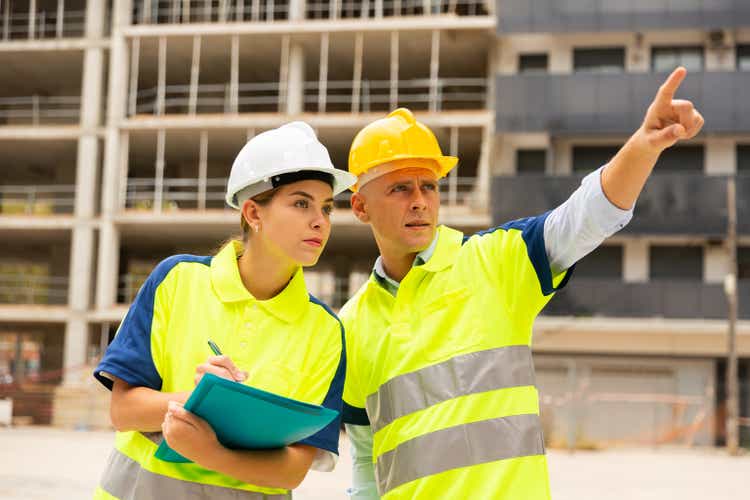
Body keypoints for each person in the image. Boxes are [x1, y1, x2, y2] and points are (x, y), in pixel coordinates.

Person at [341, 67, 704, 499]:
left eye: (429, 186)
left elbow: (586, 217)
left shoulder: (495, 262)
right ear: (361, 207)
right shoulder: (350, 326)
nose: (420, 201)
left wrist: (644, 145)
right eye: (400, 188)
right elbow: (366, 461)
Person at [92, 122, 357, 499]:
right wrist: (197, 399)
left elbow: (295, 468)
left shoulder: (325, 330)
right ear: (253, 213)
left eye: (327, 208)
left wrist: (209, 451)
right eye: (301, 203)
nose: (320, 221)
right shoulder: (176, 280)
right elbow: (123, 411)